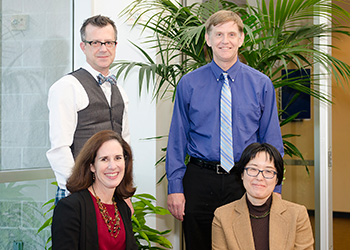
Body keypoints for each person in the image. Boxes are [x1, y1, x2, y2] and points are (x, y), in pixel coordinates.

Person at [165, 10, 284, 250]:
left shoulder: (261, 84)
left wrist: (275, 187)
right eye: (218, 34)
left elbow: (271, 139)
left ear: (241, 39)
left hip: (244, 180)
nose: (225, 40)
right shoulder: (189, 84)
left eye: (231, 34)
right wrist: (175, 187)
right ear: (208, 39)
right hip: (199, 179)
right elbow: (177, 139)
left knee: (244, 244)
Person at [46, 15, 130, 204]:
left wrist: (124, 194)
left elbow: (124, 145)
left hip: (113, 194)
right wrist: (79, 193)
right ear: (84, 47)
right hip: (78, 194)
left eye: (108, 42)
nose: (103, 49)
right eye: (95, 42)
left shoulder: (120, 91)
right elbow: (59, 149)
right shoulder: (67, 86)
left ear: (115, 46)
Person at [212, 143, 314, 250]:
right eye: (253, 169)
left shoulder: (297, 215)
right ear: (242, 174)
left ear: (277, 179)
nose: (259, 177)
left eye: (268, 171)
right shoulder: (222, 216)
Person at [52, 130, 138, 250]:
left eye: (118, 158)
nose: (112, 166)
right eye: (104, 159)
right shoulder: (70, 208)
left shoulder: (123, 207)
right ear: (92, 166)